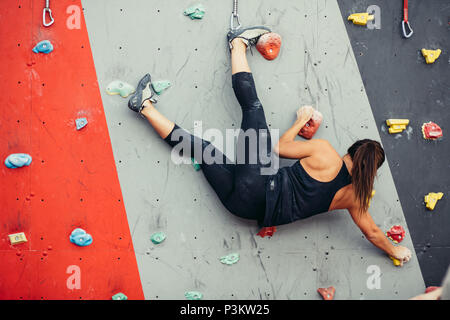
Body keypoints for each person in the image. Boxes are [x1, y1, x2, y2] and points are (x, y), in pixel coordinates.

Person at [126, 26, 412, 265]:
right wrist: (395, 250)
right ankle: (145, 107)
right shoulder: (354, 199)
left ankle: (237, 44)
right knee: (201, 150)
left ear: (352, 150)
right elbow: (373, 233)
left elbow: (279, 148)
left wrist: (300, 122)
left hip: (257, 183)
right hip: (242, 208)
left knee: (253, 108)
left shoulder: (326, 153)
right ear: (371, 172)